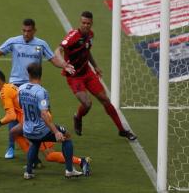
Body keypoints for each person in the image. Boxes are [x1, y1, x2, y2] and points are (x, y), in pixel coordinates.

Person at [0, 18, 75, 159]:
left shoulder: (41, 44)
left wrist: (64, 65)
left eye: (29, 31)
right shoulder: (14, 41)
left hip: (33, 85)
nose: (26, 33)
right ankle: (11, 147)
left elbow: (53, 59)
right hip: (16, 85)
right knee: (14, 117)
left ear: (34, 30)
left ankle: (41, 144)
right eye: (24, 31)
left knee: (41, 114)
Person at [0, 69, 91, 175]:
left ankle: (81, 161)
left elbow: (11, 116)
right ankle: (34, 162)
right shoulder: (10, 87)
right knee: (14, 132)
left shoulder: (4, 92)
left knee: (50, 155)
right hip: (32, 120)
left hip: (39, 122)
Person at [54, 11, 137, 140]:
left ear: (91, 23)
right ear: (80, 22)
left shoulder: (91, 35)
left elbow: (86, 51)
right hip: (74, 76)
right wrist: (64, 64)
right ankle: (78, 117)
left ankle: (122, 130)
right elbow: (57, 50)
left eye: (88, 23)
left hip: (87, 72)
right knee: (87, 104)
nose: (86, 25)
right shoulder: (72, 37)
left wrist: (95, 66)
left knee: (105, 99)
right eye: (83, 23)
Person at [18, 63, 83, 179]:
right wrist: (56, 132)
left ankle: (28, 172)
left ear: (29, 74)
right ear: (41, 75)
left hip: (27, 129)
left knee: (35, 142)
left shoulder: (21, 89)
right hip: (40, 129)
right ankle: (69, 170)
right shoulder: (41, 92)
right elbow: (43, 114)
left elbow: (20, 105)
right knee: (66, 136)